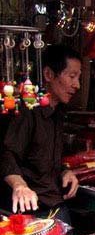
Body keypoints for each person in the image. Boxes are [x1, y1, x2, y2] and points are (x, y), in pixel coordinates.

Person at [0, 44, 81, 222]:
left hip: (55, 204)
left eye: (78, 77)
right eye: (72, 76)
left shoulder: (58, 112)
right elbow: (6, 154)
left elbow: (48, 157)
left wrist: (65, 171)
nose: (77, 85)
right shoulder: (27, 111)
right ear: (48, 75)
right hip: (29, 210)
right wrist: (19, 185)